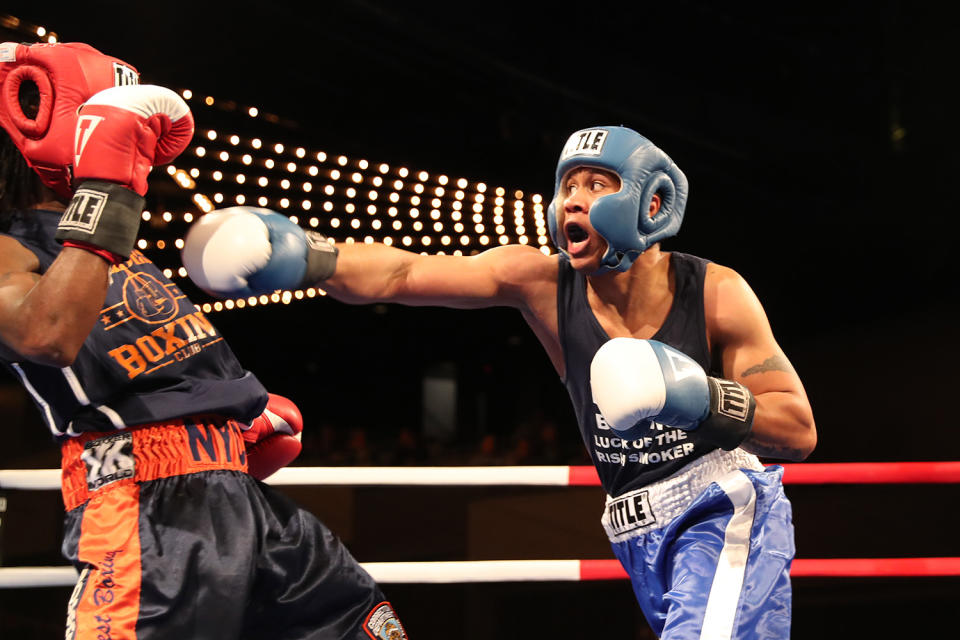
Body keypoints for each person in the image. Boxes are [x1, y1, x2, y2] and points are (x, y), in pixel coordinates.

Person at [185, 124, 816, 638]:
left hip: (721, 505)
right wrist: (310, 258)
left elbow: (797, 428)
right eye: (567, 185)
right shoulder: (541, 283)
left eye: (598, 184)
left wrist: (694, 395)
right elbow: (405, 274)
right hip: (636, 528)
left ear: (652, 203)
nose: (574, 199)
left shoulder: (715, 292)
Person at [0, 41, 406, 639]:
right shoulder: (18, 246)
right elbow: (48, 335)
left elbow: (158, 352)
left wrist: (235, 414)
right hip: (144, 507)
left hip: (241, 501)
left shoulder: (107, 243)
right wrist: (107, 191)